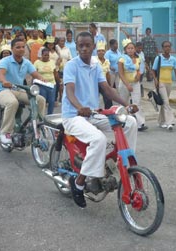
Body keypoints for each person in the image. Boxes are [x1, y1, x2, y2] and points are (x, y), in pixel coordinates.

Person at [62, 31, 139, 208]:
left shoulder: (95, 66)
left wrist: (127, 105)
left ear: (94, 47)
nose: (84, 48)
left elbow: (107, 89)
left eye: (87, 45)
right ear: (76, 46)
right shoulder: (71, 66)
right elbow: (70, 91)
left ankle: (124, 161)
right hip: (74, 116)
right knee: (99, 139)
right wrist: (79, 107)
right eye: (80, 45)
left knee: (130, 122)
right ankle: (79, 182)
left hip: (93, 113)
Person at [0, 38, 46, 144]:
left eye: (23, 47)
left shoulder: (26, 62)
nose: (21, 49)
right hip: (4, 90)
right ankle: (5, 132)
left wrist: (43, 79)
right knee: (12, 103)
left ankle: (36, 126)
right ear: (12, 49)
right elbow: (0, 74)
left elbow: (35, 74)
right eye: (18, 47)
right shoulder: (6, 61)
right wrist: (4, 81)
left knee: (40, 100)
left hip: (19, 90)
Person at [118, 38, 148, 131]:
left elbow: (140, 69)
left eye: (132, 48)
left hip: (135, 83)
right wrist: (127, 85)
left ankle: (140, 123)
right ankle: (122, 121)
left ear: (134, 49)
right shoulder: (122, 59)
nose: (130, 50)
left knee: (137, 102)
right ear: (125, 50)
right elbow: (121, 74)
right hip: (124, 84)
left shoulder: (138, 58)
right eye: (128, 48)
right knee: (124, 103)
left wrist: (138, 75)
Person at [151, 40, 176, 131]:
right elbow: (153, 70)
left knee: (164, 102)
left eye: (169, 46)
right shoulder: (158, 58)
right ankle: (170, 122)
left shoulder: (173, 59)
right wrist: (155, 80)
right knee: (166, 102)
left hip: (169, 83)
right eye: (165, 46)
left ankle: (161, 121)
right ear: (162, 48)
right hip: (161, 83)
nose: (167, 48)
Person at [34, 48, 59, 114]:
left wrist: (59, 82)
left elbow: (55, 73)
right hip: (42, 85)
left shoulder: (52, 62)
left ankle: (50, 115)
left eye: (48, 55)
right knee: (43, 101)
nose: (46, 57)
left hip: (52, 84)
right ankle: (41, 116)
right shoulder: (37, 63)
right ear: (41, 55)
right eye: (45, 55)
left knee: (51, 101)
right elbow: (34, 74)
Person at [93, 41, 112, 109]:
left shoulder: (107, 61)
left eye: (102, 51)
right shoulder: (93, 60)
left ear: (105, 52)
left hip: (104, 83)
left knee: (108, 99)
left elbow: (107, 74)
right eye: (99, 51)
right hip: (95, 83)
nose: (101, 52)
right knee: (95, 100)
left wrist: (109, 85)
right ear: (96, 52)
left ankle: (108, 113)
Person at [56, 37, 72, 106]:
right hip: (57, 68)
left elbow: (70, 58)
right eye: (61, 41)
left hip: (65, 68)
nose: (62, 42)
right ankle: (58, 96)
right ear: (58, 42)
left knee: (63, 83)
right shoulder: (56, 47)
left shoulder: (67, 49)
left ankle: (61, 96)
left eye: (63, 41)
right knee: (58, 83)